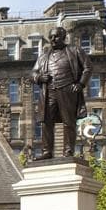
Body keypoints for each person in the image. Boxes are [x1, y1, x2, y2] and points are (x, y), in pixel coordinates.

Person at [31, 26, 92, 160]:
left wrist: (80, 84)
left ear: (63, 37)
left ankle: (68, 151)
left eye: (56, 36)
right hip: (49, 91)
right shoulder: (43, 57)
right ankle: (47, 151)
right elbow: (34, 73)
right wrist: (40, 78)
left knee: (68, 122)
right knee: (46, 121)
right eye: (51, 37)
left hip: (67, 90)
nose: (53, 39)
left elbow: (88, 67)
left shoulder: (74, 51)